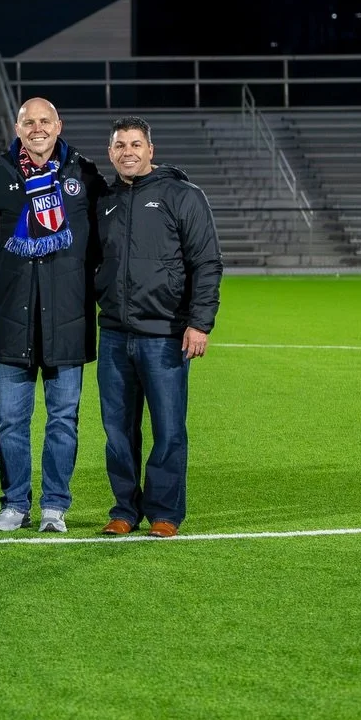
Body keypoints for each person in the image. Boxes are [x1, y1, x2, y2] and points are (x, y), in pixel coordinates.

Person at [94, 117, 222, 538]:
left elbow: (206, 263)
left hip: (166, 334)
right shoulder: (106, 200)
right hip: (114, 334)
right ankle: (124, 510)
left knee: (168, 430)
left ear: (151, 149)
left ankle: (165, 512)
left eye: (135, 144)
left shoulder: (182, 195)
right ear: (110, 152)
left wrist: (199, 323)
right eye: (119, 145)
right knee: (117, 432)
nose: (127, 152)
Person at [0, 97, 105, 533]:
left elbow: (100, 244)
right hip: (14, 323)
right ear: (17, 128)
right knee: (9, 422)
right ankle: (14, 503)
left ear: (59, 125)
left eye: (44, 121)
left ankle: (54, 506)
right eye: (28, 122)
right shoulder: (0, 174)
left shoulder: (84, 174)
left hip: (67, 322)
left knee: (63, 420)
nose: (37, 128)